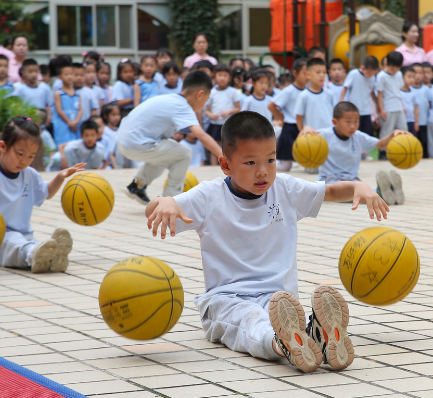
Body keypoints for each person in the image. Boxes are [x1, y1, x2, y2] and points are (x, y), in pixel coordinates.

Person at [145, 111, 389, 373]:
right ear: (226, 165)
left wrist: (357, 187)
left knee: (282, 318)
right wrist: (165, 201)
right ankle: (281, 343)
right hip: (226, 300)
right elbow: (153, 211)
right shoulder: (208, 196)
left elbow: (328, 191)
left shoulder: (285, 188)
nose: (263, 171)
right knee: (251, 320)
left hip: (279, 301)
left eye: (271, 160)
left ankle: (317, 336)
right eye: (250, 162)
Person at [0, 117, 83, 273]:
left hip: (24, 236)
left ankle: (53, 257)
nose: (24, 161)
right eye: (20, 153)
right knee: (22, 246)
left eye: (31, 156)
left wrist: (60, 177)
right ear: (3, 146)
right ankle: (39, 255)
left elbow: (47, 193)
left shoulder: (30, 174)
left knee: (30, 245)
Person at [118, 71, 223, 204]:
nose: (205, 104)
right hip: (135, 143)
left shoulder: (171, 99)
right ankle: (172, 200)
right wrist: (225, 158)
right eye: (206, 100)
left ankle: (137, 185)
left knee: (169, 153)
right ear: (200, 94)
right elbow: (201, 135)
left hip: (124, 140)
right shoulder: (182, 106)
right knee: (184, 154)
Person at [302, 100, 409, 201]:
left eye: (356, 121)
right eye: (348, 122)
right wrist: (306, 128)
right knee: (345, 192)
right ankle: (380, 193)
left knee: (357, 188)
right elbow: (308, 137)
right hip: (328, 180)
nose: (353, 126)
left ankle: (387, 191)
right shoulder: (325, 135)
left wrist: (393, 134)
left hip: (351, 180)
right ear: (335, 122)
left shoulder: (359, 137)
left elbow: (380, 144)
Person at [269, 58, 309, 172]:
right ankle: (267, 162)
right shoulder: (289, 90)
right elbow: (271, 106)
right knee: (286, 166)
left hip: (304, 128)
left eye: (309, 73)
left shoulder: (308, 90)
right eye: (304, 73)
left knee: (309, 161)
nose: (307, 76)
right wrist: (283, 118)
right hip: (290, 128)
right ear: (295, 73)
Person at [205, 64, 242, 165]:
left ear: (229, 78)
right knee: (214, 146)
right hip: (215, 124)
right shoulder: (212, 92)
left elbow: (238, 108)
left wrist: (228, 112)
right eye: (220, 75)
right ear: (215, 77)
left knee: (229, 146)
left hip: (228, 124)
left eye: (225, 75)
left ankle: (230, 166)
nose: (222, 78)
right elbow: (207, 110)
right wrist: (211, 116)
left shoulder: (233, 91)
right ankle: (213, 167)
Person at [339, 56, 380, 139]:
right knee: (354, 133)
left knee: (367, 134)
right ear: (363, 68)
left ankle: (365, 148)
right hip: (354, 109)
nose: (370, 76)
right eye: (369, 73)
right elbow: (345, 87)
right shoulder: (354, 74)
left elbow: (372, 92)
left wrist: (377, 105)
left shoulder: (372, 78)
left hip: (366, 110)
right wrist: (341, 102)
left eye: (373, 74)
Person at [375, 51, 407, 145]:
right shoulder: (381, 76)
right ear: (386, 64)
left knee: (403, 129)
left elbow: (398, 91)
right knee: (387, 130)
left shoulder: (399, 74)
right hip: (388, 107)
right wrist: (381, 109)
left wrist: (402, 106)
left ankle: (402, 147)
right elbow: (380, 94)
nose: (394, 71)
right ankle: (383, 150)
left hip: (398, 106)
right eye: (392, 69)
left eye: (396, 69)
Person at [294, 58, 334, 132]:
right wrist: (302, 131)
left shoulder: (329, 93)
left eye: (324, 72)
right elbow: (298, 116)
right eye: (318, 72)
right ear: (308, 74)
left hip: (329, 133)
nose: (322, 75)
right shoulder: (304, 95)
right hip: (313, 134)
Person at [13, 59, 53, 126]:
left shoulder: (44, 88)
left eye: (36, 71)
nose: (34, 74)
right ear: (24, 73)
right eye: (30, 72)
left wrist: (48, 118)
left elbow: (47, 105)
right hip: (26, 124)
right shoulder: (19, 89)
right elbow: (16, 106)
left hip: (41, 124)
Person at [53, 63, 82, 148]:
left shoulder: (78, 94)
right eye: (66, 74)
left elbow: (80, 110)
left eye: (72, 74)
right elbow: (59, 111)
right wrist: (70, 123)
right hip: (63, 126)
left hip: (76, 126)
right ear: (59, 77)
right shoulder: (58, 93)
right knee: (64, 148)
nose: (69, 77)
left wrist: (76, 122)